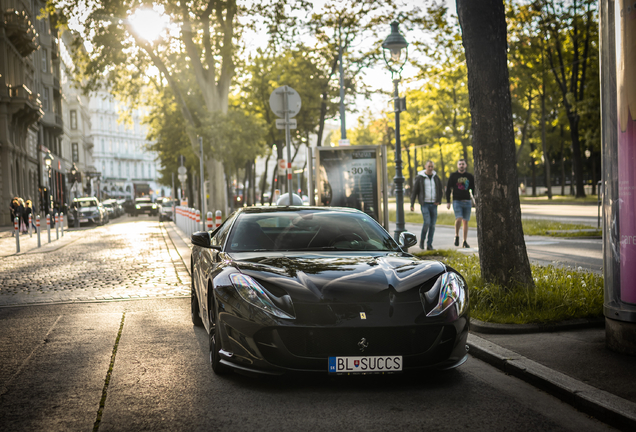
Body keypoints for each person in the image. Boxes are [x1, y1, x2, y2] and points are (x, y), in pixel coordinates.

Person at [410, 160, 443, 250]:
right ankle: (422, 241)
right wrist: (412, 204)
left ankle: (429, 244)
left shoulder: (436, 177)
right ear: (425, 166)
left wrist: (439, 201)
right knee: (427, 222)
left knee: (432, 225)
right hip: (425, 204)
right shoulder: (420, 177)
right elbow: (414, 191)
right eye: (429, 166)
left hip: (434, 204)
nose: (431, 168)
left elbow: (440, 190)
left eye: (432, 167)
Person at [446, 159, 476, 248]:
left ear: (465, 165)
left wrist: (475, 200)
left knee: (465, 221)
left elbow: (473, 189)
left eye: (463, 164)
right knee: (459, 218)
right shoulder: (453, 176)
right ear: (457, 165)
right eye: (460, 164)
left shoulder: (469, 176)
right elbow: (448, 189)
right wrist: (448, 201)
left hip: (467, 201)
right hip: (456, 200)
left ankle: (465, 241)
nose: (461, 165)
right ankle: (457, 235)